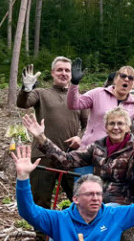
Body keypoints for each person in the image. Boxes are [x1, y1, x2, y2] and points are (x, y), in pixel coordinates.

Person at [23, 107, 134, 205]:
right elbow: (67, 161)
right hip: (95, 199)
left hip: (119, 203)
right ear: (106, 128)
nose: (116, 127)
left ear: (128, 128)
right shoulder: (97, 147)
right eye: (111, 123)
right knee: (67, 219)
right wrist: (42, 138)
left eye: (120, 124)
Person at [16, 57, 88, 210]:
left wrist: (80, 138)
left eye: (67, 70)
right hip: (42, 156)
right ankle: (42, 235)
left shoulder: (79, 98)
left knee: (80, 200)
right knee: (40, 202)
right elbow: (23, 103)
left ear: (71, 74)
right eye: (60, 70)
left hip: (70, 156)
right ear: (52, 73)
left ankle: (76, 232)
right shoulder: (41, 93)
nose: (64, 73)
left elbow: (88, 126)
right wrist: (26, 89)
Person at [65, 61, 134, 168]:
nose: (127, 79)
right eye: (123, 76)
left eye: (131, 78)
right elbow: (73, 104)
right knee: (86, 184)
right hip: (89, 154)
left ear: (133, 84)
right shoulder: (98, 93)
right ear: (115, 79)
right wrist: (74, 83)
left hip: (116, 160)